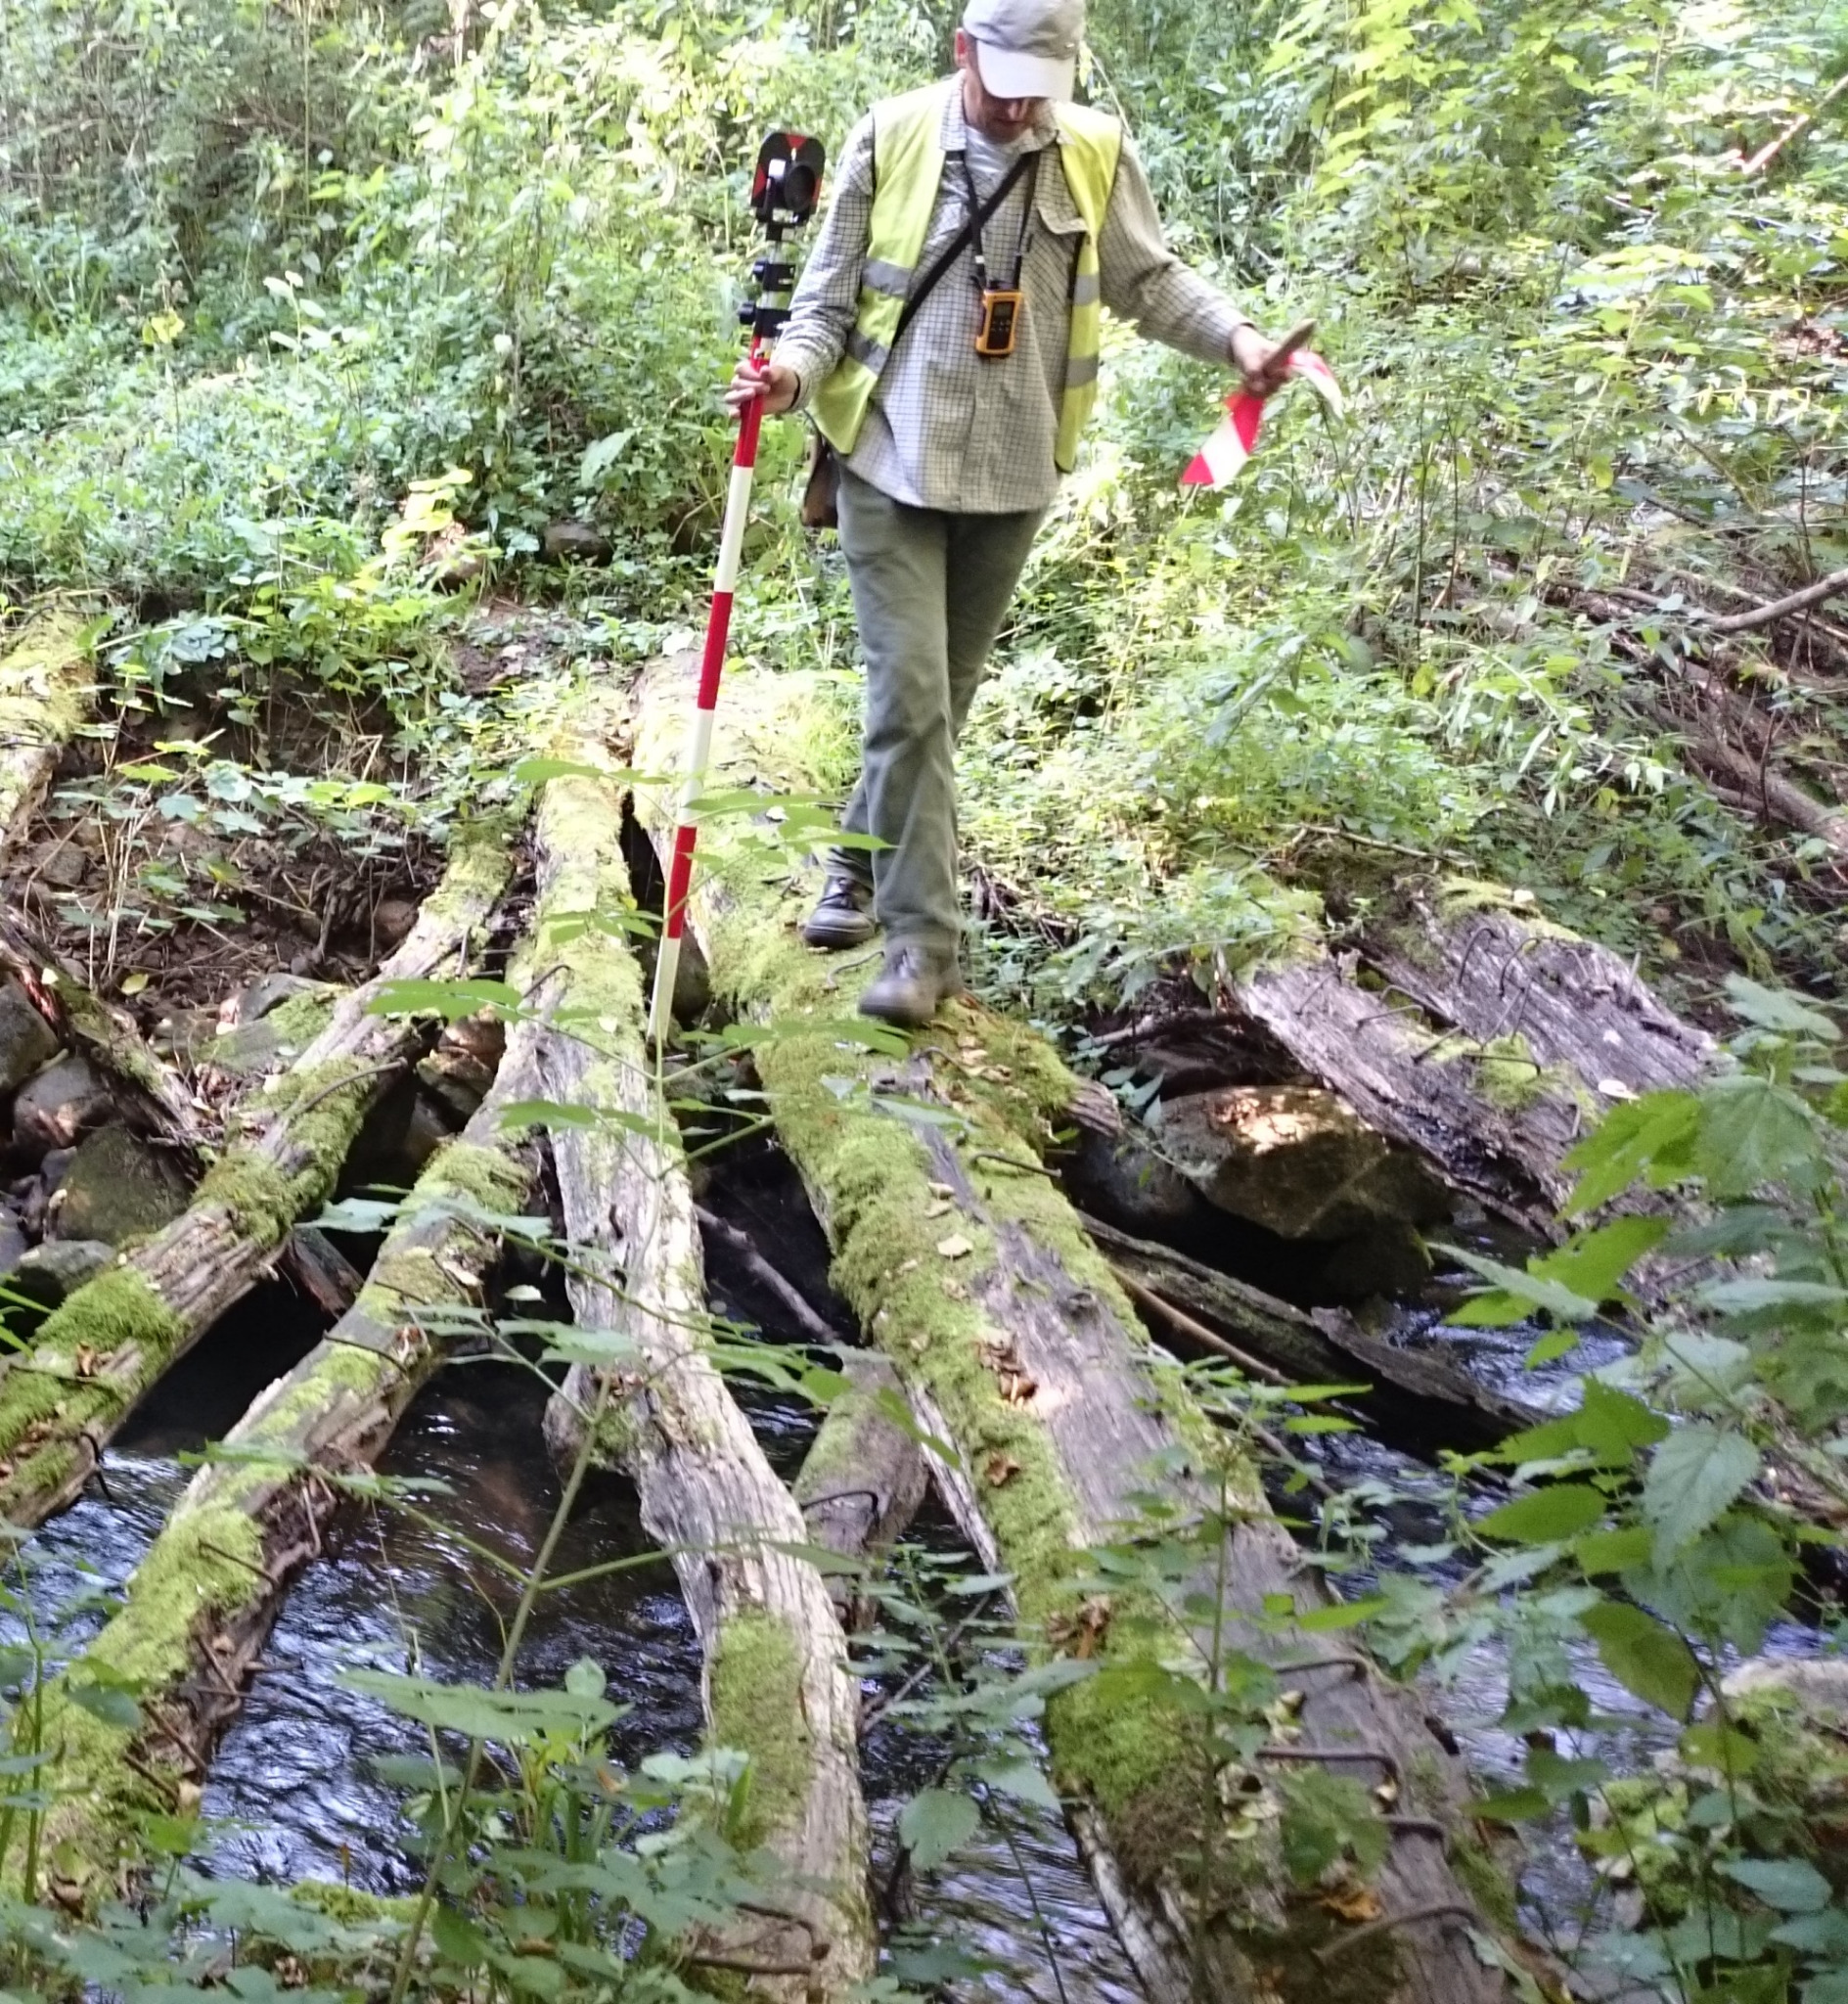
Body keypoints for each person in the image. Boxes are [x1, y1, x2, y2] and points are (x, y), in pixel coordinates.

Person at [728, 0, 1292, 1027]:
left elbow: (1148, 281)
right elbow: (822, 304)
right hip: (886, 460)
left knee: (937, 703)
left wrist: (1239, 343)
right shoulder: (890, 136)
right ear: (960, 53)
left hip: (1012, 470)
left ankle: (854, 866)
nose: (1020, 103)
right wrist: (786, 382)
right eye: (1002, 81)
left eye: (1041, 83)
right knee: (909, 697)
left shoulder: (1087, 153)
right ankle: (921, 947)